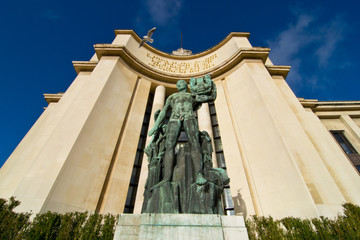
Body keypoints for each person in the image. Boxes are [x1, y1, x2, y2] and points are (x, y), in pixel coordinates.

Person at [148, 79, 216, 189]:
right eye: (178, 84)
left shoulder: (191, 96)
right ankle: (167, 178)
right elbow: (164, 111)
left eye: (183, 83)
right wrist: (155, 126)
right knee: (169, 146)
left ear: (186, 86)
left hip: (189, 117)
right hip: (174, 119)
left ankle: (199, 174)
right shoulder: (172, 97)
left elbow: (209, 97)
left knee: (195, 144)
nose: (180, 84)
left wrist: (212, 86)